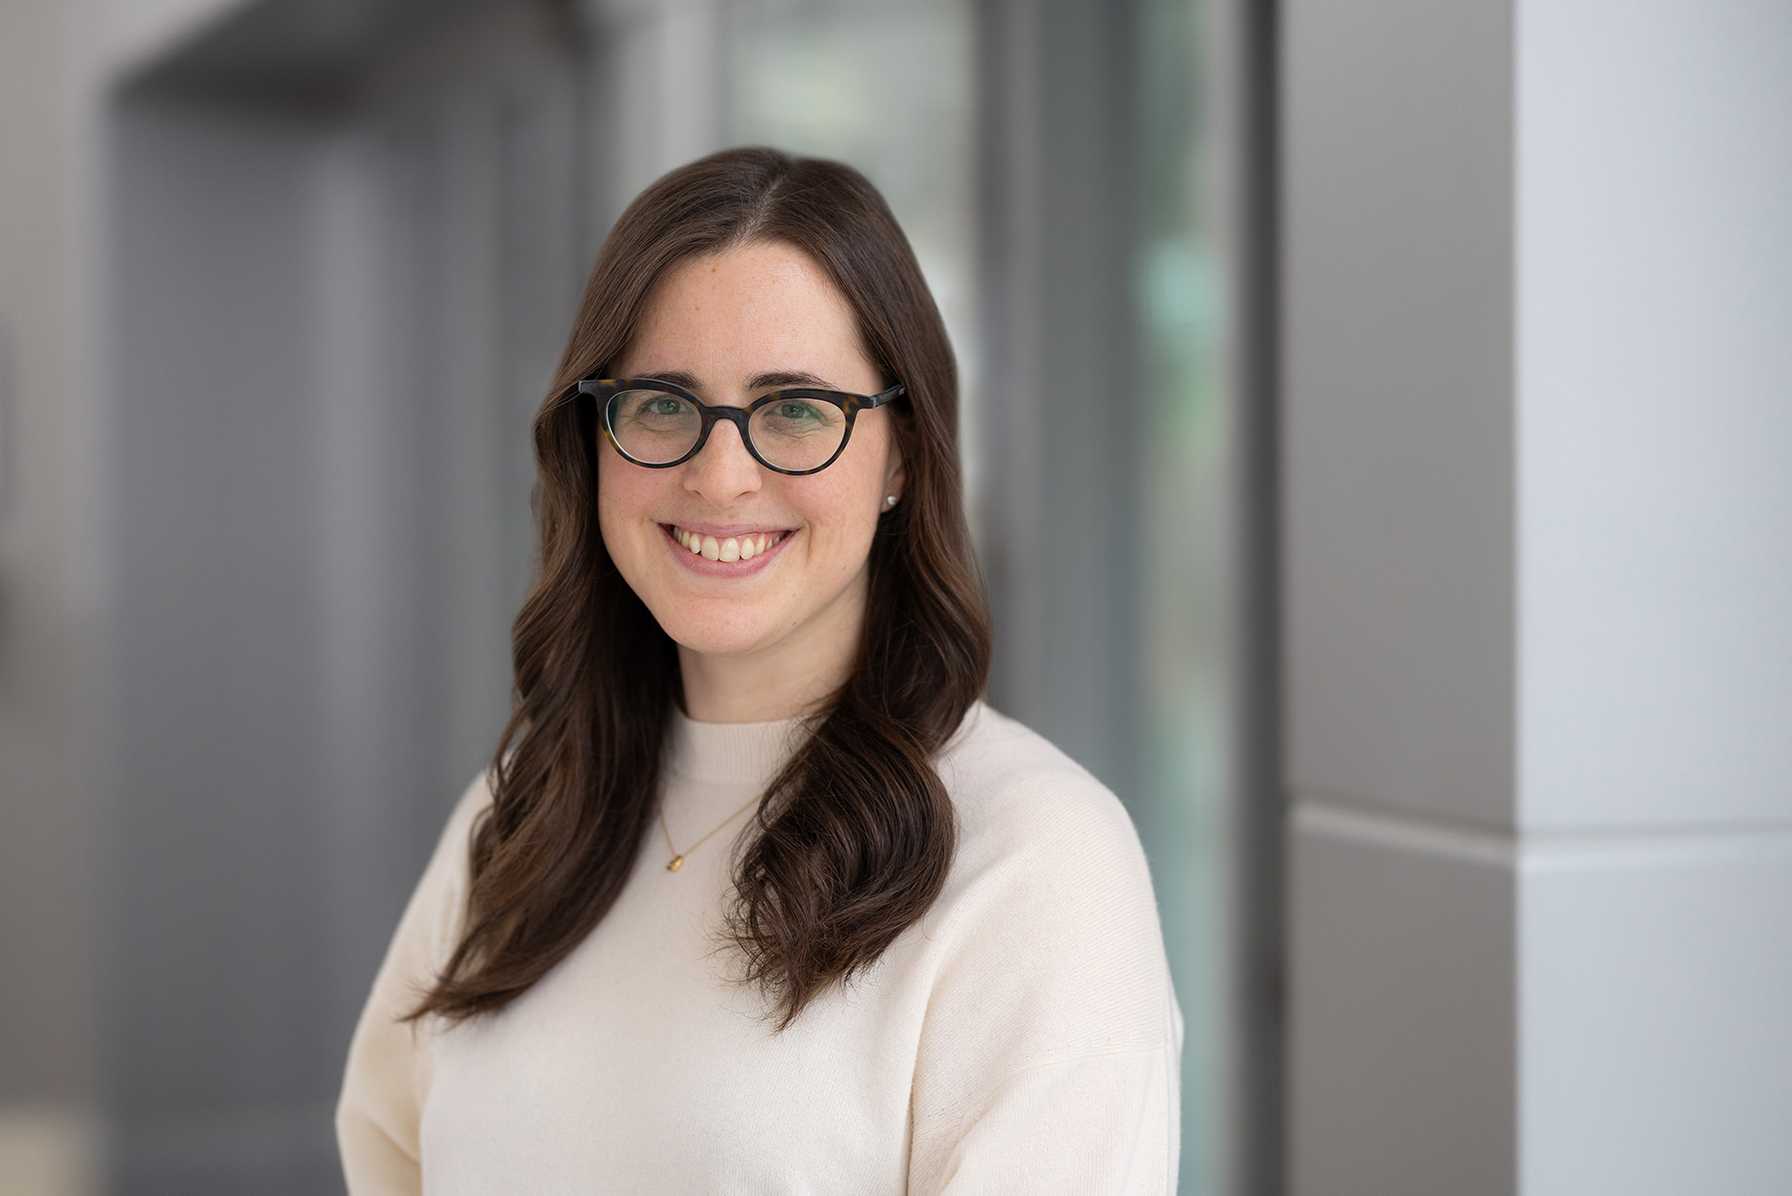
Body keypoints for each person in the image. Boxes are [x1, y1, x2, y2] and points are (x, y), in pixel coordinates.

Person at [334, 145, 1183, 1193]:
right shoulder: (525, 814)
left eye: (795, 410)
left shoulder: (1034, 857)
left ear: (903, 454)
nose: (720, 474)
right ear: (593, 439)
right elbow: (389, 1150)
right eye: (661, 403)